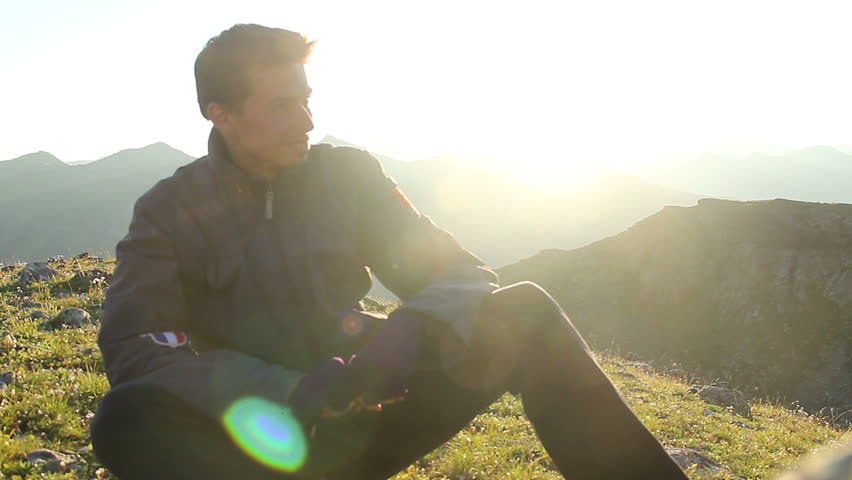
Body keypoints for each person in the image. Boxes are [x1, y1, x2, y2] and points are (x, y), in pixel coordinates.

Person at [90, 23, 689, 480]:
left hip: (368, 407)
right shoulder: (168, 210)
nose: (306, 119)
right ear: (219, 114)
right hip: (261, 436)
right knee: (124, 421)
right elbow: (137, 348)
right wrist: (286, 389)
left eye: (305, 97)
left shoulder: (347, 174)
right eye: (280, 105)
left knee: (526, 311)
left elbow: (458, 271)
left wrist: (410, 333)